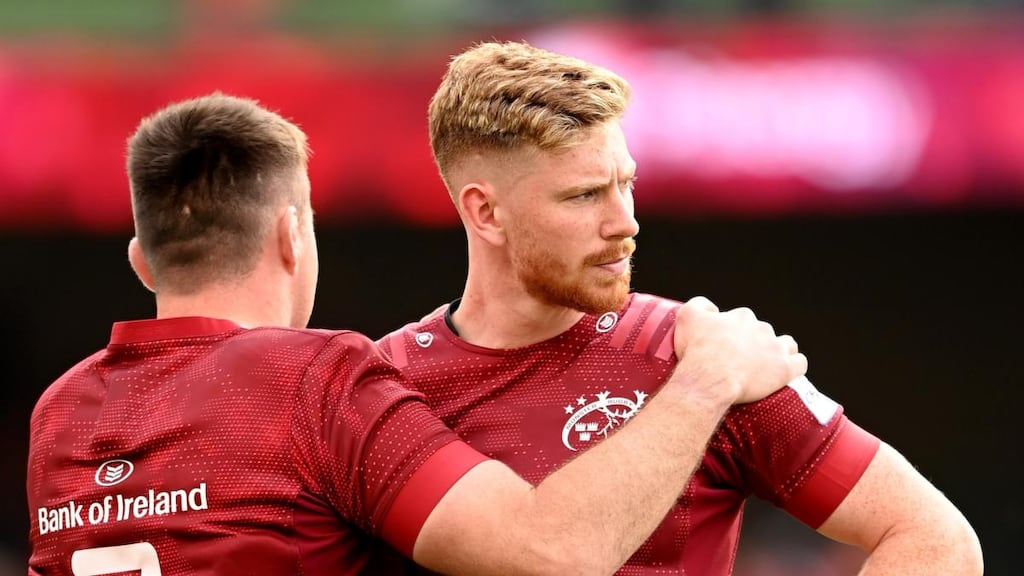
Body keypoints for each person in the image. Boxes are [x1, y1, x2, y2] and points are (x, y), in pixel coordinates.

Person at [27, 92, 807, 575]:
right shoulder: (311, 376)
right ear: (293, 237)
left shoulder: (58, 415)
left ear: (141, 260)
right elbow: (547, 554)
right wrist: (705, 378)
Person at [376, 41, 984, 575]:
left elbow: (936, 538)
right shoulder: (377, 387)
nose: (626, 223)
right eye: (585, 195)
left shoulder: (705, 350)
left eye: (626, 184)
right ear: (486, 212)